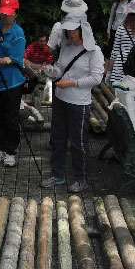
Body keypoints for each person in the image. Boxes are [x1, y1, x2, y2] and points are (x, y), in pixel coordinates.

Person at [40, 13, 104, 192]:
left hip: (79, 103)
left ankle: (80, 178)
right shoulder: (66, 47)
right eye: (68, 30)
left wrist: (72, 83)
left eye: (75, 29)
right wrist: (52, 71)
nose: (71, 33)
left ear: (83, 29)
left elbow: (97, 78)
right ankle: (56, 174)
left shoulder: (94, 51)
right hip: (60, 98)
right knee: (58, 139)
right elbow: (60, 67)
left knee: (78, 142)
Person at [0, 0, 26, 168]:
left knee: (11, 118)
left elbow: (15, 58)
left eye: (9, 13)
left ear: (16, 14)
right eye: (3, 13)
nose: (5, 16)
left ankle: (10, 151)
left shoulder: (18, 33)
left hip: (12, 82)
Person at [104, 0, 130, 77]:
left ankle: (115, 71)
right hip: (114, 29)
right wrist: (108, 30)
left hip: (123, 31)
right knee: (110, 49)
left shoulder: (129, 5)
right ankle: (105, 71)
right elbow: (111, 18)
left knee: (119, 50)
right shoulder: (115, 5)